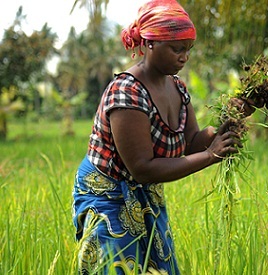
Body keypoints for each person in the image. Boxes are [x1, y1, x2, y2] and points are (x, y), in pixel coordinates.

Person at [72, 0, 255, 274]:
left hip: (146, 194)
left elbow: (190, 141)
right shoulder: (127, 92)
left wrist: (225, 127)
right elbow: (143, 168)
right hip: (108, 194)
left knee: (154, 267)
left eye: (188, 50)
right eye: (176, 48)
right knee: (115, 266)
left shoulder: (177, 87)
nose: (184, 57)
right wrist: (210, 156)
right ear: (149, 44)